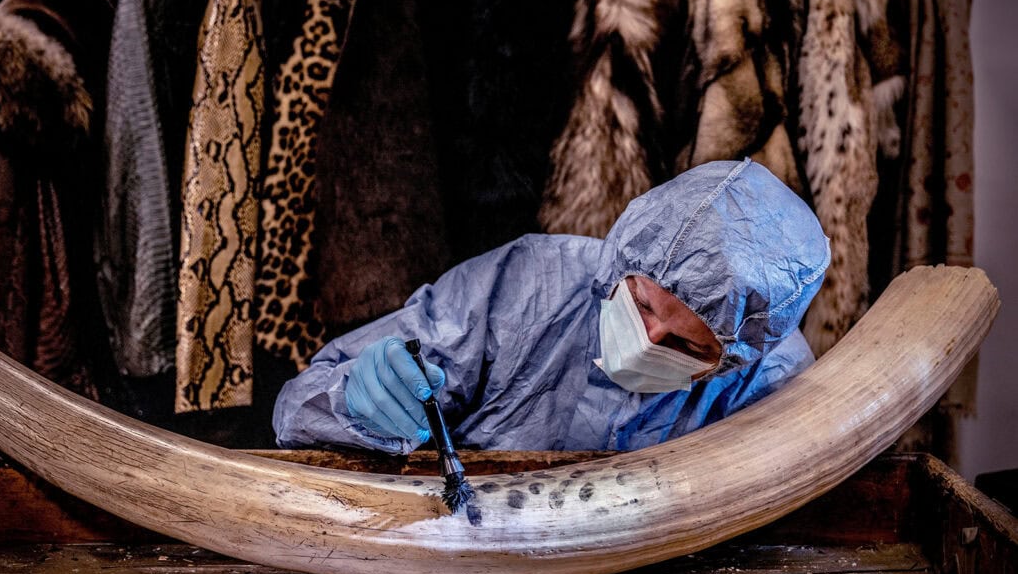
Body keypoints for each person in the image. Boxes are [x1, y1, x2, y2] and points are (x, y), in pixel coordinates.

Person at [274, 159, 830, 452]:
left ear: (734, 358)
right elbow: (297, 408)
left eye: (686, 345)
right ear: (624, 262)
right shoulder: (526, 285)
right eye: (641, 305)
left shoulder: (773, 381)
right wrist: (352, 400)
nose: (647, 341)